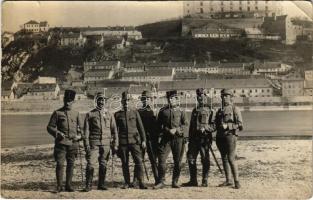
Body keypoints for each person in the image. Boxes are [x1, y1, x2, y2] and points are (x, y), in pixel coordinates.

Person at [47, 89, 83, 192]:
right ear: (63, 100)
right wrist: (57, 133)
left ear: (73, 101)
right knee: (60, 164)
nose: (68, 102)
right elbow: (49, 127)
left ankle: (68, 185)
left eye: (70, 101)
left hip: (73, 144)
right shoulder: (57, 113)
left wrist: (79, 137)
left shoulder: (76, 114)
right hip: (61, 144)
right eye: (66, 100)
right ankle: (59, 186)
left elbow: (82, 130)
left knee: (71, 164)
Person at [83, 92, 118, 192]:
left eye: (103, 100)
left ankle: (101, 184)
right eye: (99, 100)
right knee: (91, 163)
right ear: (96, 101)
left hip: (106, 144)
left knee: (103, 164)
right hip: (94, 143)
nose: (101, 102)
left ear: (105, 102)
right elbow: (86, 131)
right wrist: (86, 145)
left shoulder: (110, 114)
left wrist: (115, 144)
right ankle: (88, 184)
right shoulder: (90, 114)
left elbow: (114, 130)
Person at [154, 90, 188, 189]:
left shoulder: (181, 111)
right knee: (161, 159)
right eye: (170, 98)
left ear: (177, 99)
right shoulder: (163, 111)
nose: (173, 100)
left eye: (174, 98)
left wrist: (177, 129)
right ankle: (161, 181)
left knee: (177, 161)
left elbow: (186, 125)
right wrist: (167, 130)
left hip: (178, 139)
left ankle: (175, 181)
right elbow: (158, 126)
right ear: (168, 99)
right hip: (166, 139)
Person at [182, 88, 215, 187]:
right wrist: (188, 138)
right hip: (194, 140)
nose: (200, 98)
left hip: (204, 139)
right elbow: (192, 126)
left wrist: (206, 128)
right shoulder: (195, 110)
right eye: (198, 96)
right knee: (191, 158)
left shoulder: (211, 110)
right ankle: (193, 180)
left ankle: (205, 180)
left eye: (202, 95)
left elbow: (214, 126)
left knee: (205, 159)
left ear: (206, 96)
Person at [114, 91, 148, 189]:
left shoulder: (135, 112)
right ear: (122, 102)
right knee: (125, 163)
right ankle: (127, 182)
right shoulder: (117, 115)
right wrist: (115, 144)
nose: (126, 103)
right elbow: (115, 131)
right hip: (123, 142)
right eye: (124, 101)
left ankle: (141, 181)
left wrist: (143, 140)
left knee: (139, 161)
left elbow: (141, 128)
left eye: (128, 100)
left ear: (131, 102)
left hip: (134, 142)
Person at [215, 89, 243, 189]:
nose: (224, 97)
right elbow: (216, 125)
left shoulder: (235, 109)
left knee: (231, 159)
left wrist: (229, 126)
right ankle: (228, 180)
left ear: (231, 97)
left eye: (226, 96)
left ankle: (237, 181)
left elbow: (240, 125)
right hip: (220, 137)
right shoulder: (219, 111)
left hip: (230, 136)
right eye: (223, 96)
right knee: (224, 158)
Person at [133, 90, 160, 186]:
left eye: (148, 99)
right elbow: (136, 127)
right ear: (142, 100)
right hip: (142, 139)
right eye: (144, 99)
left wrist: (157, 139)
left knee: (153, 160)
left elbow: (157, 127)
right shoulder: (139, 112)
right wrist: (139, 138)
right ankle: (136, 180)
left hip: (152, 140)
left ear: (151, 100)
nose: (146, 100)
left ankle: (157, 179)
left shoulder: (154, 112)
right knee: (139, 159)